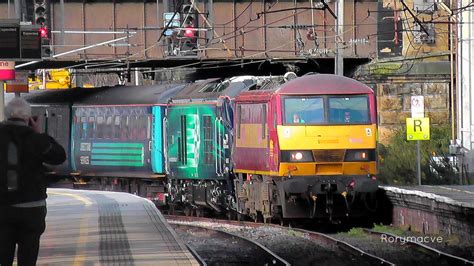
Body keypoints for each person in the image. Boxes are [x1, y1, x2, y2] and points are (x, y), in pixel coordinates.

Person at [0, 98, 66, 266]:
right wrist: (39, 133)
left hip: (3, 209)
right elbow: (59, 156)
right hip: (32, 209)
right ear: (28, 118)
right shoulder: (36, 140)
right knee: (28, 257)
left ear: (6, 116)